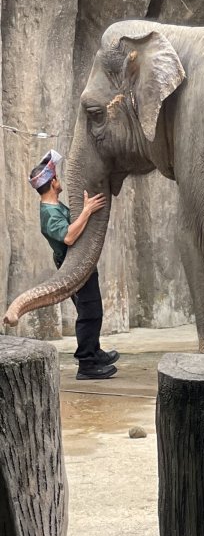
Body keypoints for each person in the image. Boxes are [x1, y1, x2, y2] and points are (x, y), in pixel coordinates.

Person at [29, 150, 119, 380]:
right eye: (57, 177)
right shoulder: (49, 212)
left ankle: (94, 351)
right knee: (89, 313)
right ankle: (87, 364)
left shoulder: (55, 206)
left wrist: (86, 207)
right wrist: (87, 211)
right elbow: (68, 236)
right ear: (53, 183)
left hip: (80, 264)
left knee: (92, 310)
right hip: (72, 267)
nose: (60, 181)